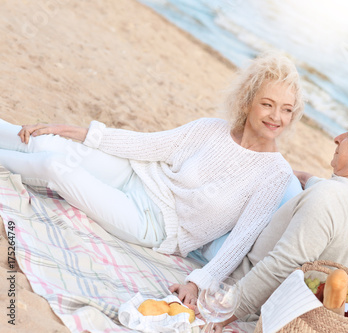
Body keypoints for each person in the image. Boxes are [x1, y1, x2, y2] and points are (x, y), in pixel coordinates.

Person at [0, 52, 305, 305]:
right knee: (46, 141)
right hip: (136, 175)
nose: (276, 117)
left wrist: (199, 283)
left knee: (56, 166)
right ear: (247, 101)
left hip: (154, 227)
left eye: (287, 110)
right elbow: (145, 144)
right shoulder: (210, 128)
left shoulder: (275, 174)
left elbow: (240, 241)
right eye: (267, 104)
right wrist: (73, 131)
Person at [216, 110, 348, 331]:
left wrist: (221, 315)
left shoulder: (326, 198)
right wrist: (300, 176)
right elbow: (337, 197)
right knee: (287, 182)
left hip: (256, 291)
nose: (337, 138)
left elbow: (280, 267)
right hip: (317, 304)